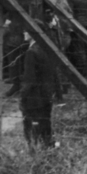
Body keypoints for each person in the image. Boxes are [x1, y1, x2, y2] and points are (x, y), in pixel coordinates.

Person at [20, 20, 60, 148]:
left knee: (32, 124)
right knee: (45, 122)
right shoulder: (47, 47)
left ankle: (33, 148)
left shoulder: (31, 52)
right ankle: (48, 145)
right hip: (46, 93)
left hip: (34, 96)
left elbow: (29, 79)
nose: (24, 33)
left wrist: (23, 96)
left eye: (26, 30)